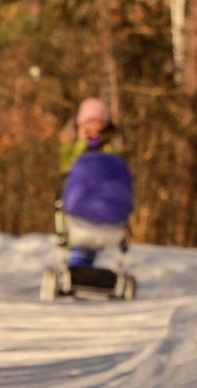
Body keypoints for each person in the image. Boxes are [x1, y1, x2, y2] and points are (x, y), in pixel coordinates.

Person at [56, 97, 133, 285]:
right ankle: (78, 268)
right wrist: (82, 144)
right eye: (88, 122)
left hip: (104, 202)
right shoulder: (73, 146)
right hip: (81, 201)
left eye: (97, 121)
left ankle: (86, 271)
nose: (93, 127)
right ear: (80, 124)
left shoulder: (112, 147)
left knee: (94, 237)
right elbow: (66, 165)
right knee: (80, 242)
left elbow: (117, 171)